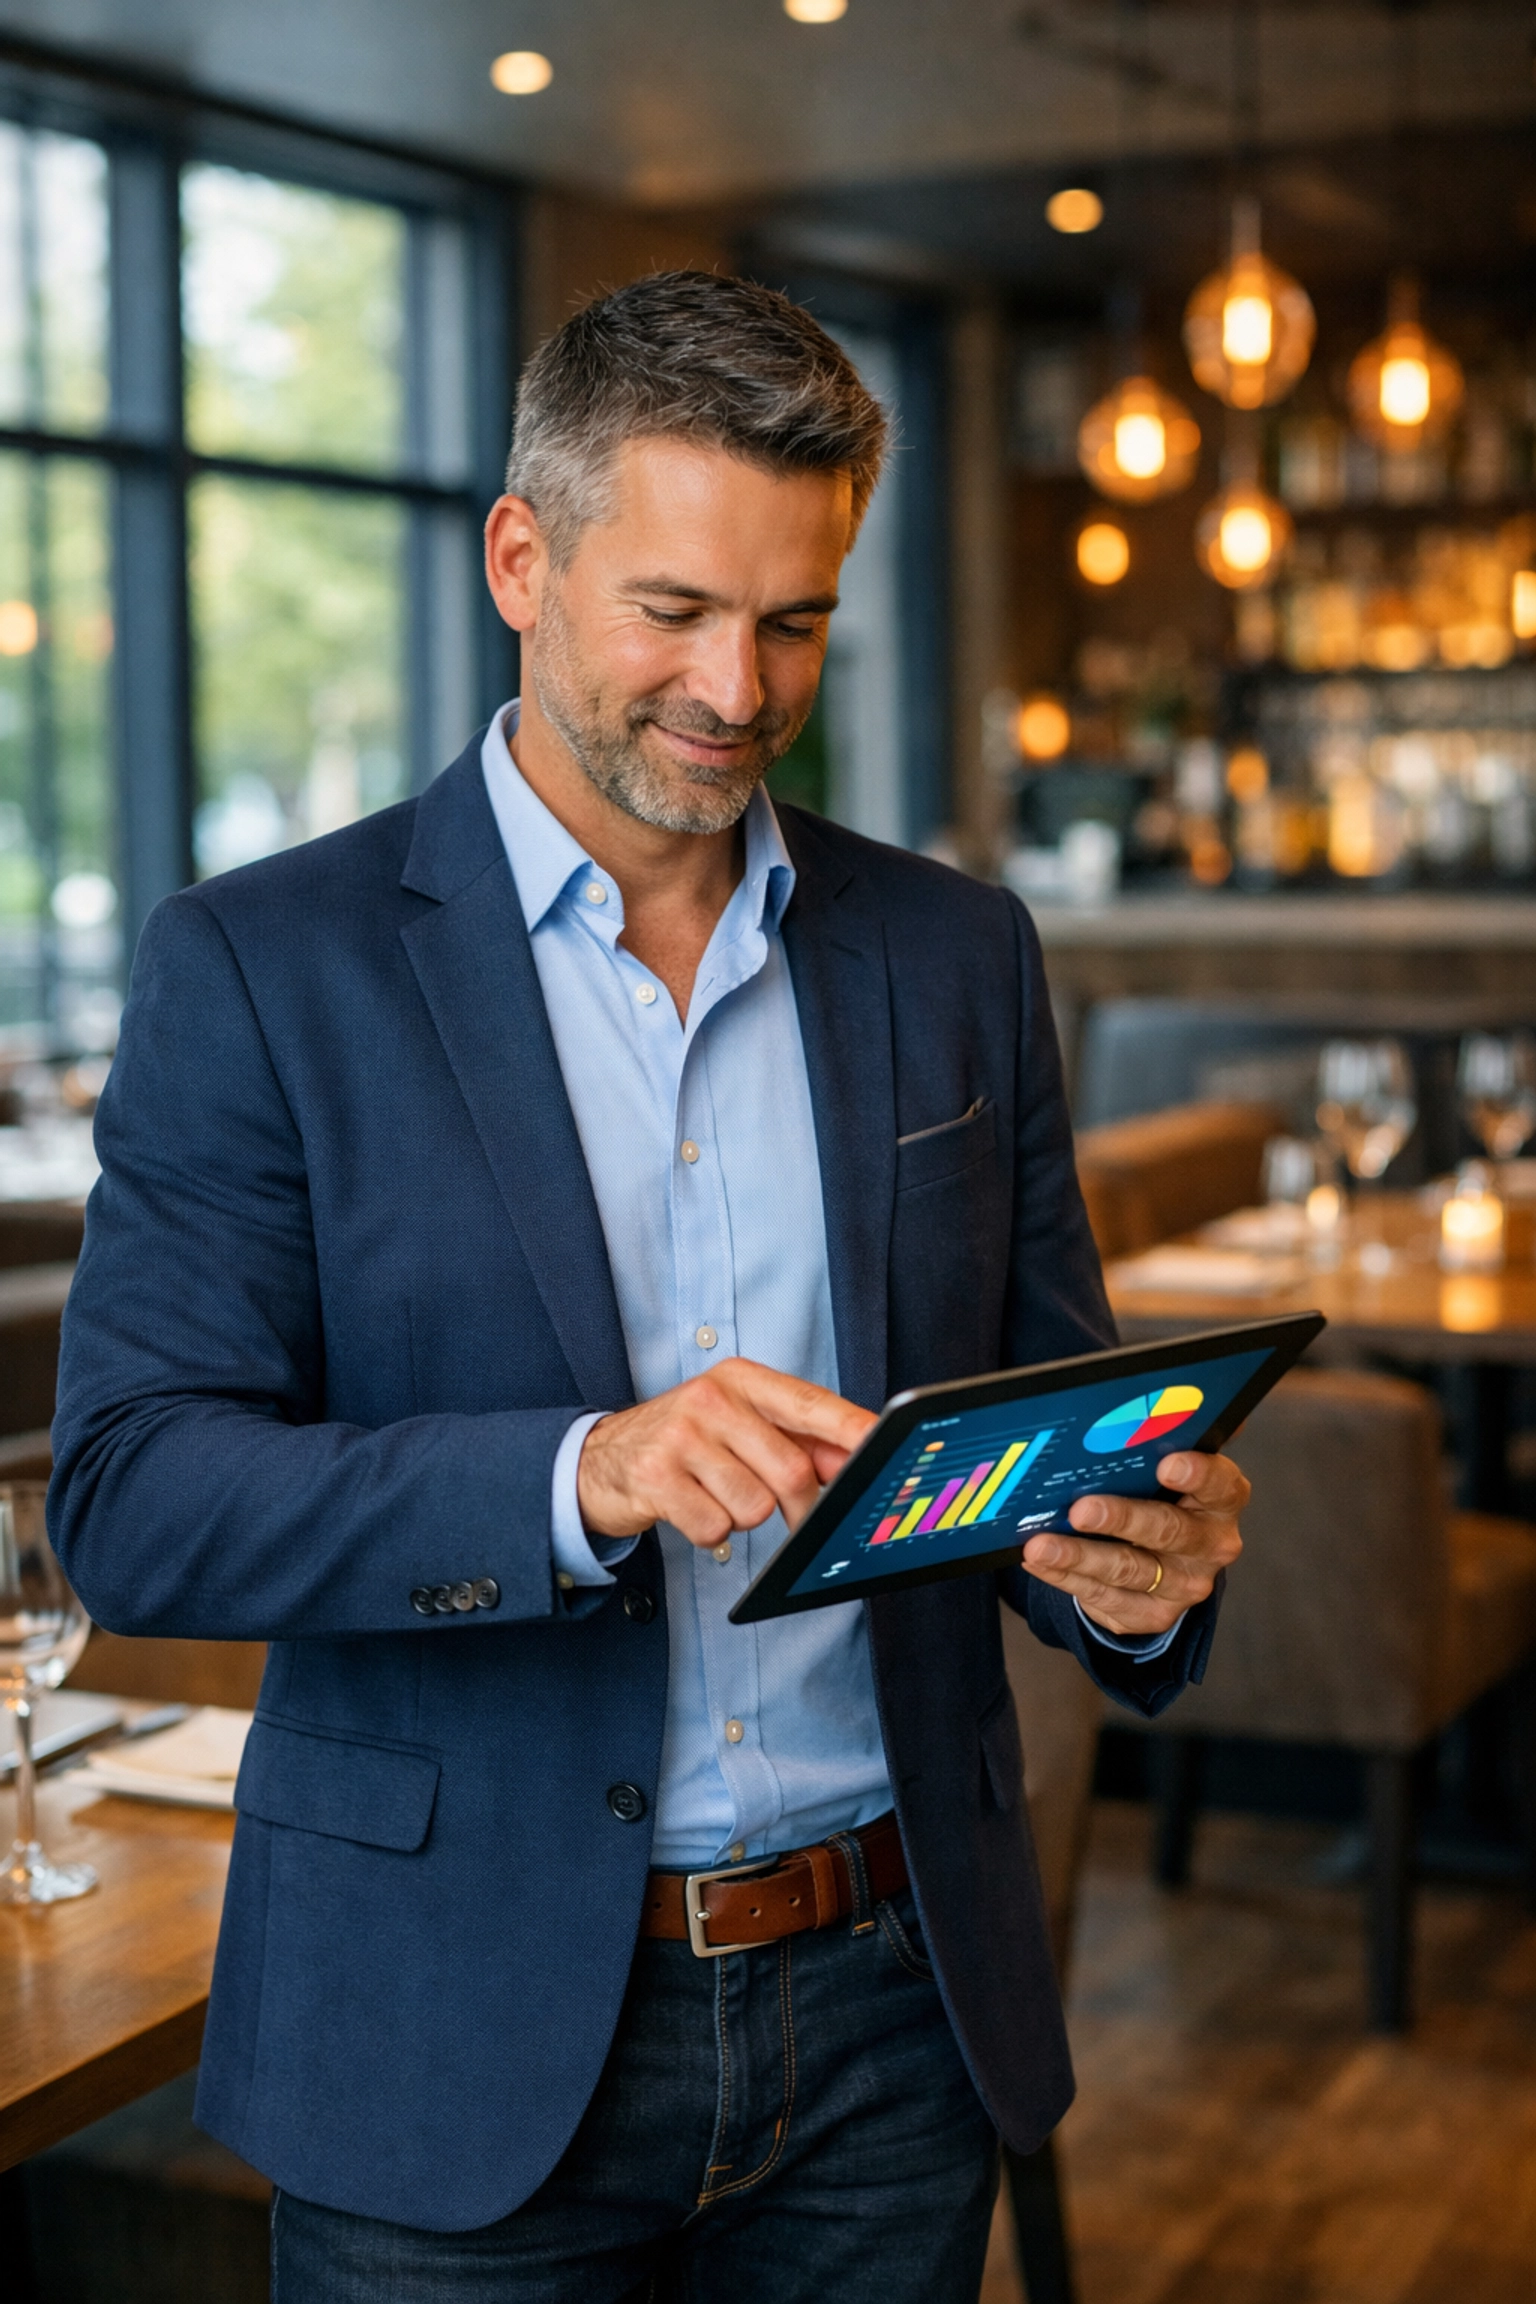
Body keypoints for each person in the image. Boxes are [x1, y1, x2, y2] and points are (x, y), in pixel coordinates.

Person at [51, 271, 1246, 2304]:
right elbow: (135, 1498)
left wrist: (1127, 1556)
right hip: (456, 2032)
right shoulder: (266, 963)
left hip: (894, 2010)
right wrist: (579, 1475)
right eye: (672, 614)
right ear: (523, 558)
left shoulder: (957, 955)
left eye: (795, 621)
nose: (738, 688)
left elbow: (1034, 1419)